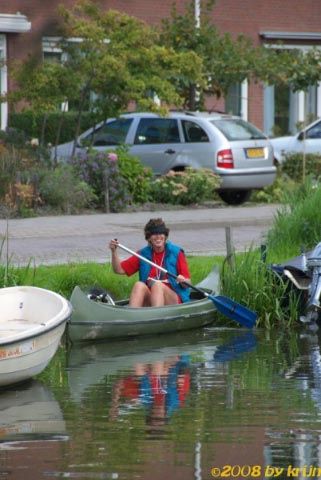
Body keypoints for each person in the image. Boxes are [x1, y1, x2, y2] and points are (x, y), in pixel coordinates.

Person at [109, 218, 191, 307]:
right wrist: (113, 252)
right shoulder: (143, 254)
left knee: (157, 285)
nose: (158, 237)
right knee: (139, 285)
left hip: (173, 299)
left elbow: (188, 284)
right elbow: (119, 270)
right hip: (152, 298)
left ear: (165, 236)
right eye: (154, 234)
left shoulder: (176, 252)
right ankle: (132, 316)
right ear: (149, 238)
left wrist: (183, 280)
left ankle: (157, 316)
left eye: (161, 233)